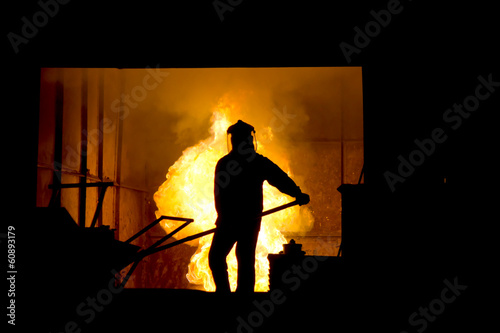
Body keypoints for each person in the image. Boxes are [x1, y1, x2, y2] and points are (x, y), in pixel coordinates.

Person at [208, 120, 310, 294]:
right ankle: (230, 295)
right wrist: (297, 193)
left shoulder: (239, 163)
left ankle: (236, 296)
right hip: (237, 220)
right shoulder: (246, 162)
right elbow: (220, 194)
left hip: (244, 220)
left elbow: (279, 178)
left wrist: (297, 193)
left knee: (237, 258)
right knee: (226, 257)